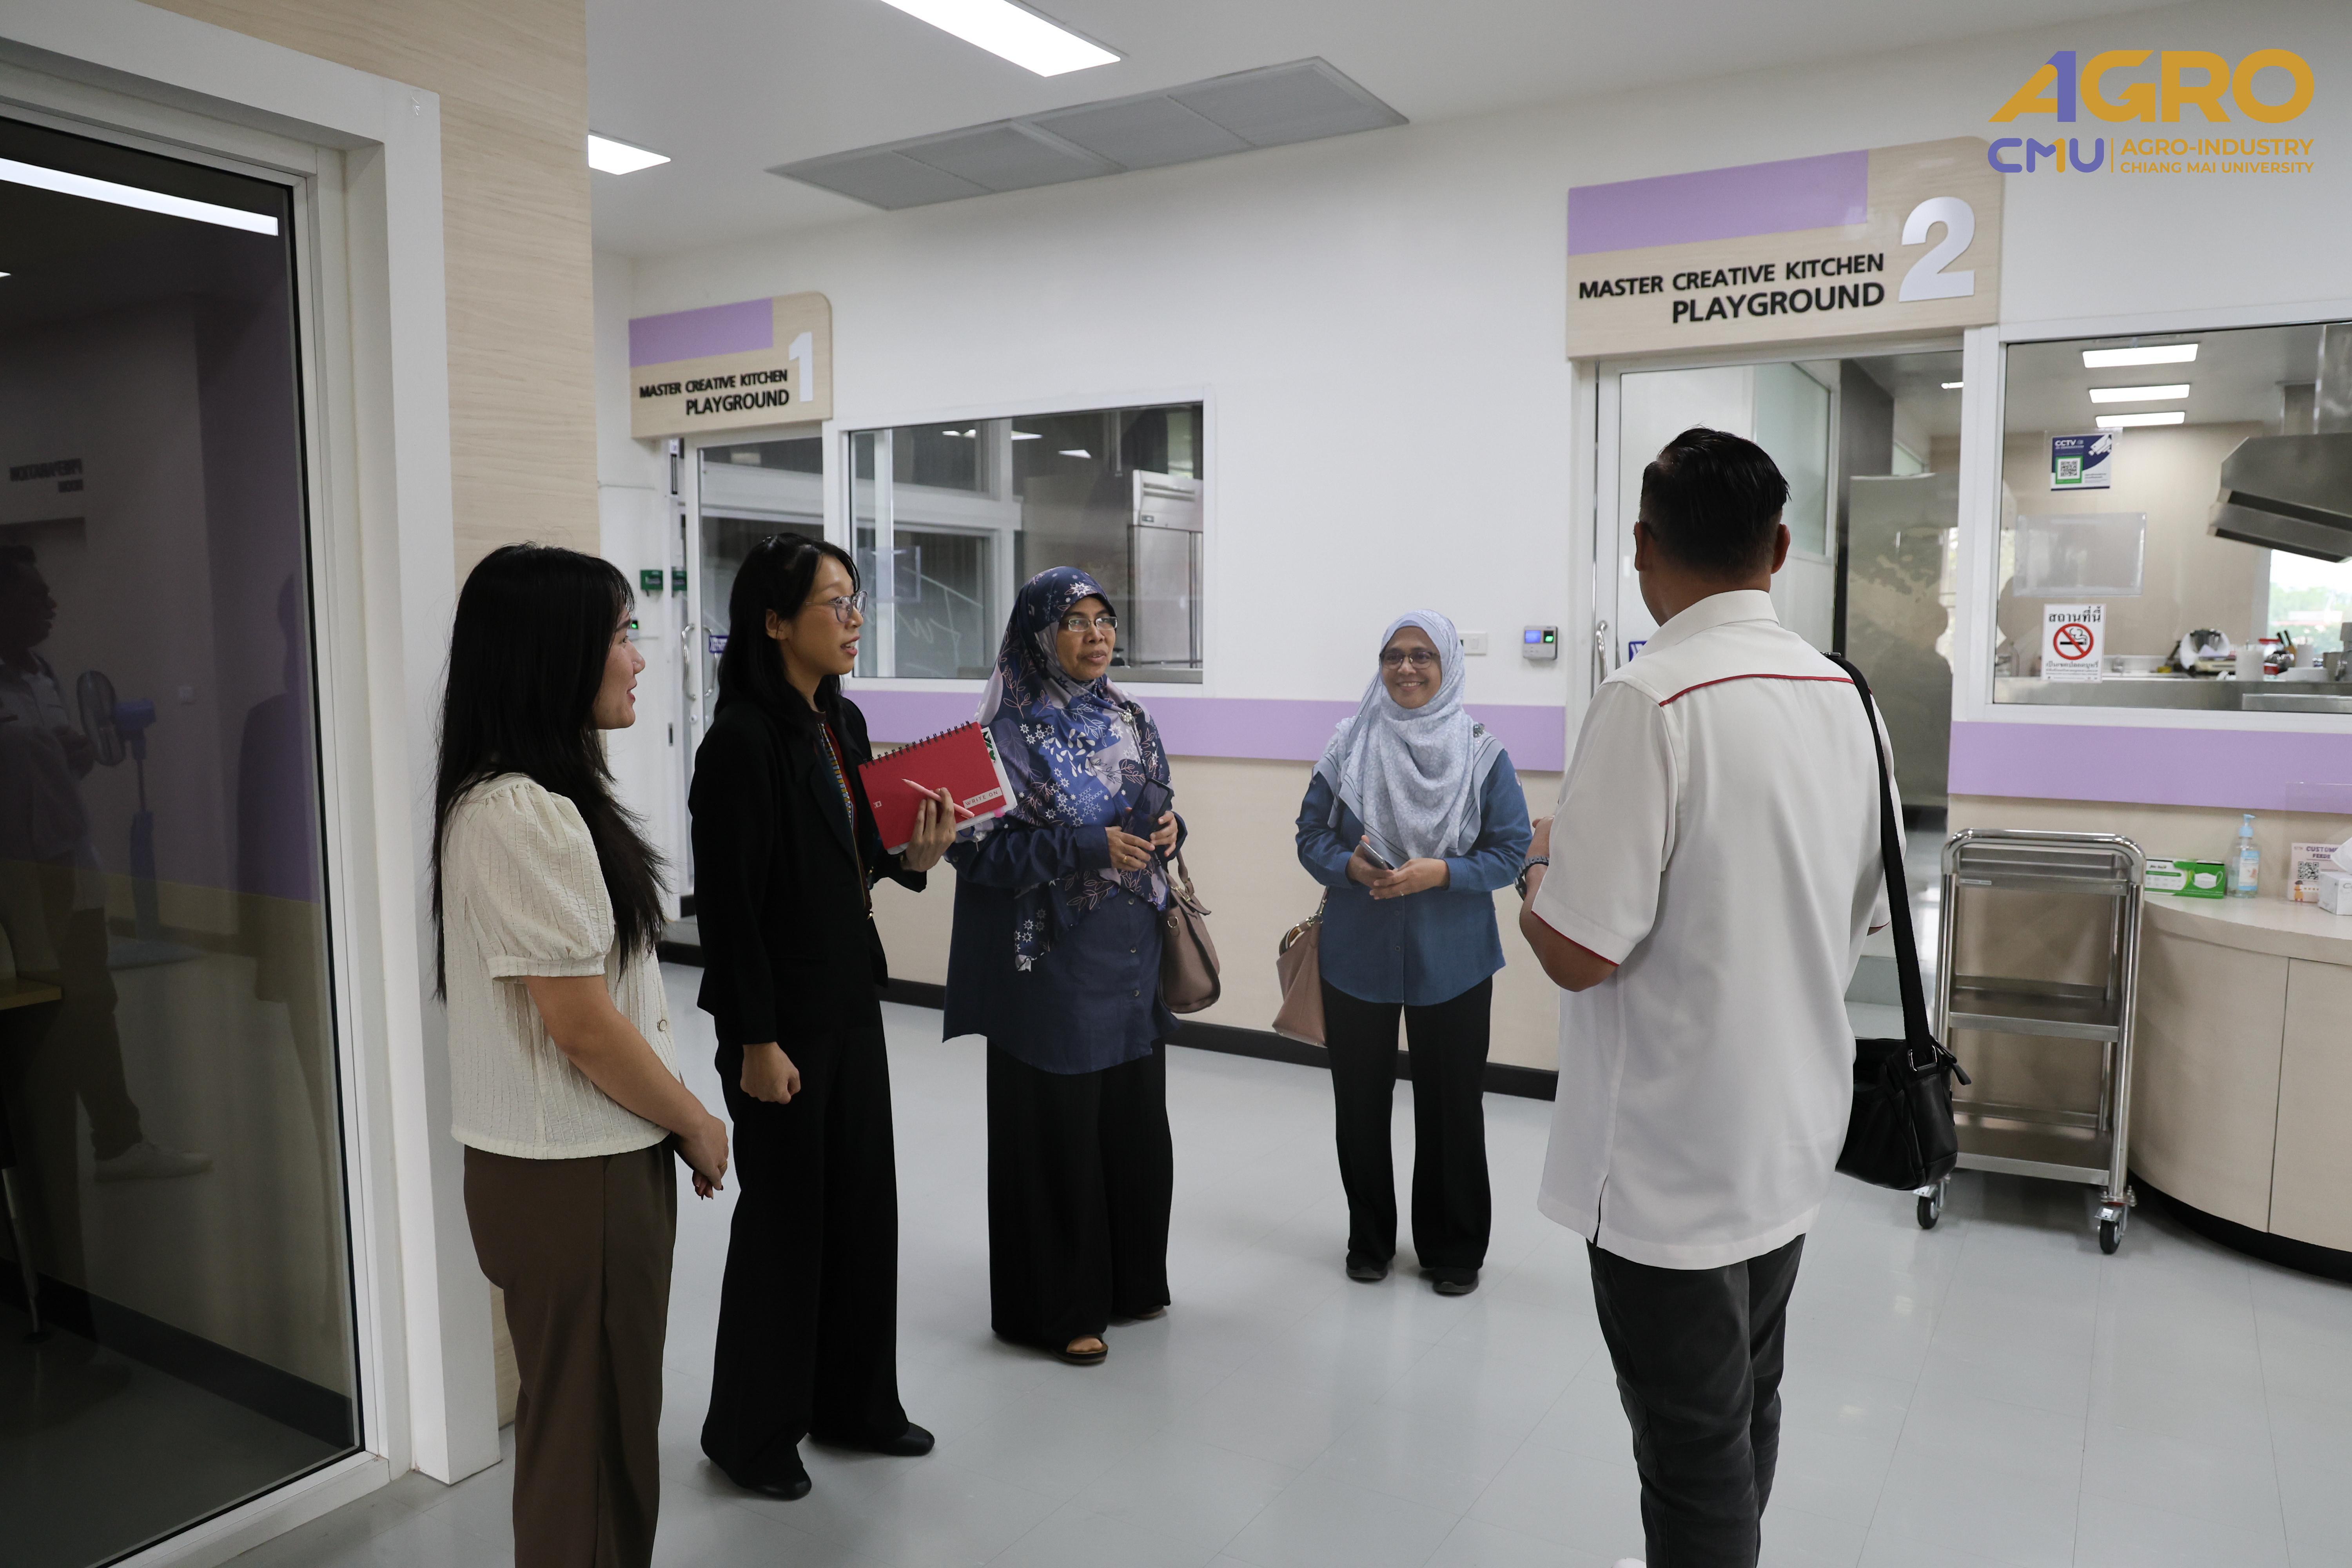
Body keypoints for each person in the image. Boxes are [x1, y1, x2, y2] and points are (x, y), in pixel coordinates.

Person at [1517, 428, 1892, 1568]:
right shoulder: (1850, 697)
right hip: (1791, 1130)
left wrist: (1539, 871)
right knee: (1743, 1405)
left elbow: (1578, 952)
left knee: (1688, 1452)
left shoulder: (1651, 700)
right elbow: (1868, 914)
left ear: (1643, 545)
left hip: (1669, 1156)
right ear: (1779, 549)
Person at [434, 543, 730, 1568]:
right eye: (619, 635)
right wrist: (695, 1119)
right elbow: (583, 1025)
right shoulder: (522, 812)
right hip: (577, 1176)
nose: (639, 659)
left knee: (585, 1440)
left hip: (567, 1168)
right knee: (593, 1456)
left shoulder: (516, 800)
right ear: (551, 654)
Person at [692, 534, 958, 1501]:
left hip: (849, 998)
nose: (854, 619)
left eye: (855, 600)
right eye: (834, 603)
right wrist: (756, 1040)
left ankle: (856, 1405)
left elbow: (856, 853)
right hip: (780, 1022)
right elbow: (731, 910)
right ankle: (752, 1433)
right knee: (787, 1229)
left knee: (860, 1209)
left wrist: (912, 857)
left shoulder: (839, 721)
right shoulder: (741, 743)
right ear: (774, 621)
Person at [942, 567, 1180, 1367]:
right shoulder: (998, 736)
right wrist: (1084, 845)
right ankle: (1057, 1307)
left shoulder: (1132, 717)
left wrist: (1172, 830)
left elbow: (1155, 806)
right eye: (1074, 620)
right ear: (1039, 635)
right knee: (1059, 1140)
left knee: (1132, 1130)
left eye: (1103, 618)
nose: (1095, 634)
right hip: (1049, 967)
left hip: (1131, 959)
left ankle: (1129, 1279)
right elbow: (973, 853)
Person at [1295, 611, 1529, 1296]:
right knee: (1359, 1106)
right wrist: (1348, 866)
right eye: (1394, 655)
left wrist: (1443, 873)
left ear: (1448, 665)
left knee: (1452, 1106)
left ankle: (1453, 1251)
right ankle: (1368, 1241)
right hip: (1357, 953)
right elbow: (1310, 834)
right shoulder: (1348, 744)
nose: (1406, 668)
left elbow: (1511, 851)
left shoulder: (1483, 754)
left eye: (1422, 655)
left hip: (1454, 956)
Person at [0, 544, 208, 1186]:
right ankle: (46, 1160)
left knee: (92, 1005)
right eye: (35, 595)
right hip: (18, 886)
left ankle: (118, 1143)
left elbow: (58, 777)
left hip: (73, 871)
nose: (51, 604)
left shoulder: (44, 676)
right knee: (38, 1017)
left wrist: (79, 756)